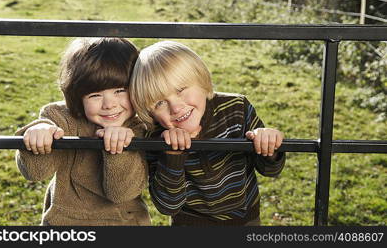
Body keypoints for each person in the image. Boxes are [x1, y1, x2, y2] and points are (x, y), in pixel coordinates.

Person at [129, 41, 285, 226]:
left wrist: (269, 145)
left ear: (201, 81)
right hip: (189, 224)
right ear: (150, 113)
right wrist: (172, 156)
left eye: (180, 90)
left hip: (246, 218)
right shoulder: (155, 137)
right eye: (159, 103)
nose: (176, 107)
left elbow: (271, 170)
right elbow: (168, 206)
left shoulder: (236, 108)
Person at [15, 37, 151, 226]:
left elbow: (121, 193)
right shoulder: (61, 117)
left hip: (125, 223)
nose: (109, 105)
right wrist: (38, 134)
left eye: (120, 90)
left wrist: (119, 149)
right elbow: (36, 173)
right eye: (95, 95)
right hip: (66, 223)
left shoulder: (141, 126)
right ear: (77, 96)